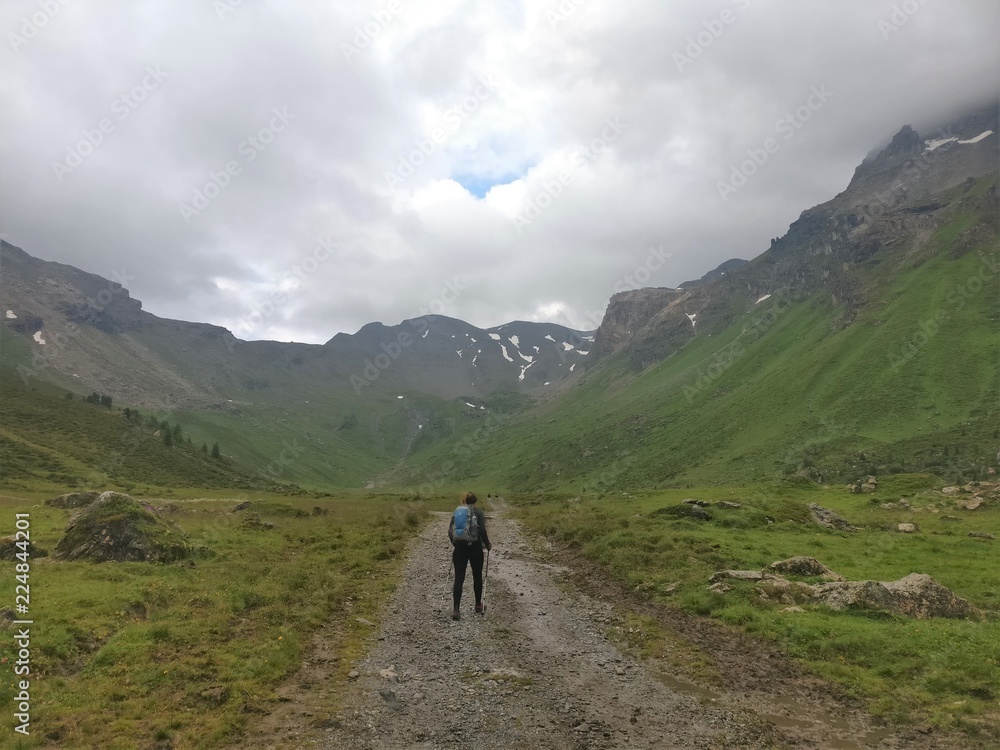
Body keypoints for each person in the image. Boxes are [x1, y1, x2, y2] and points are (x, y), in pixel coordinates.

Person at [448, 491, 491, 620]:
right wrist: (487, 544)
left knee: (459, 578)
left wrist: (455, 543)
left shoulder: (457, 512)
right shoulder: (478, 513)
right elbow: (482, 531)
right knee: (477, 575)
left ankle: (456, 609)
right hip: (475, 548)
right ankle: (478, 605)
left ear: (463, 501)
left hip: (460, 548)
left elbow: (450, 531)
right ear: (475, 501)